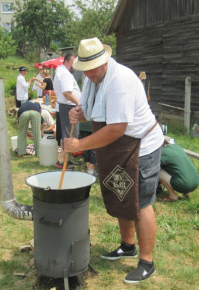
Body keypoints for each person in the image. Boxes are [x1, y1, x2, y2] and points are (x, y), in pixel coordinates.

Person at [64, 37, 164, 284]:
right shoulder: (93, 80)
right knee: (122, 192)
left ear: (104, 61)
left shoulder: (121, 81)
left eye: (92, 69)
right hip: (119, 147)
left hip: (140, 146)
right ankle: (127, 246)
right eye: (84, 70)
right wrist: (79, 112)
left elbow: (117, 128)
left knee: (140, 203)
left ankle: (147, 262)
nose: (88, 75)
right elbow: (94, 110)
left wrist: (80, 145)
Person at [53, 53, 81, 170]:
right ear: (68, 62)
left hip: (64, 106)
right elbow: (67, 93)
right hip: (67, 107)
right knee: (68, 136)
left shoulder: (62, 72)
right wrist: (78, 103)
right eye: (74, 63)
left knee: (67, 135)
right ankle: (61, 162)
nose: (75, 66)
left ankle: (67, 159)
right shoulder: (64, 74)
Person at [158, 137, 199, 202]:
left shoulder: (163, 153)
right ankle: (186, 193)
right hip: (196, 182)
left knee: (158, 171)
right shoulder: (176, 147)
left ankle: (172, 196)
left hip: (183, 185)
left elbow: (153, 167)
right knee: (177, 167)